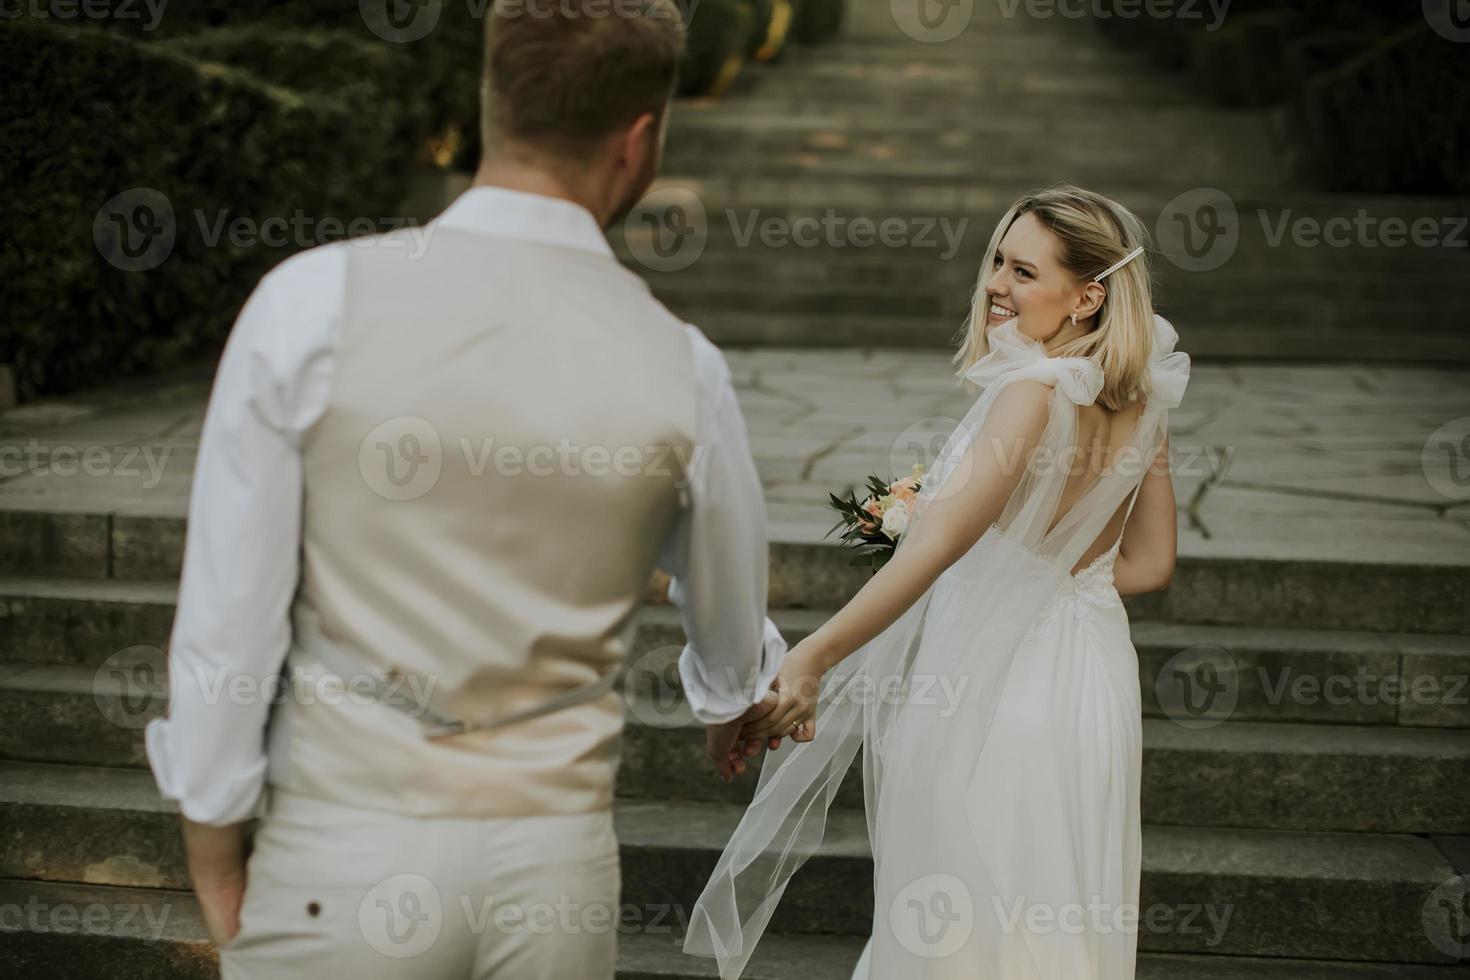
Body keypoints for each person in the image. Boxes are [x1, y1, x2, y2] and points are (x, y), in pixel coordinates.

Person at [144, 3, 788, 976]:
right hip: (554, 873)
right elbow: (730, 626)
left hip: (342, 849)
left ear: (491, 104)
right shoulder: (682, 366)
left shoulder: (311, 304)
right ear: (641, 141)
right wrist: (731, 698)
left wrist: (213, 833)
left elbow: (229, 615)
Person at [684, 185, 1192, 979]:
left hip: (999, 686)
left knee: (957, 922)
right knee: (1057, 907)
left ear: (1087, 296)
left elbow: (940, 542)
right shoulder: (1144, 402)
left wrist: (812, 659)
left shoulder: (1031, 393)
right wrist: (1040, 579)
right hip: (1092, 682)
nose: (995, 284)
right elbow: (1148, 565)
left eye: (1023, 272)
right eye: (998, 260)